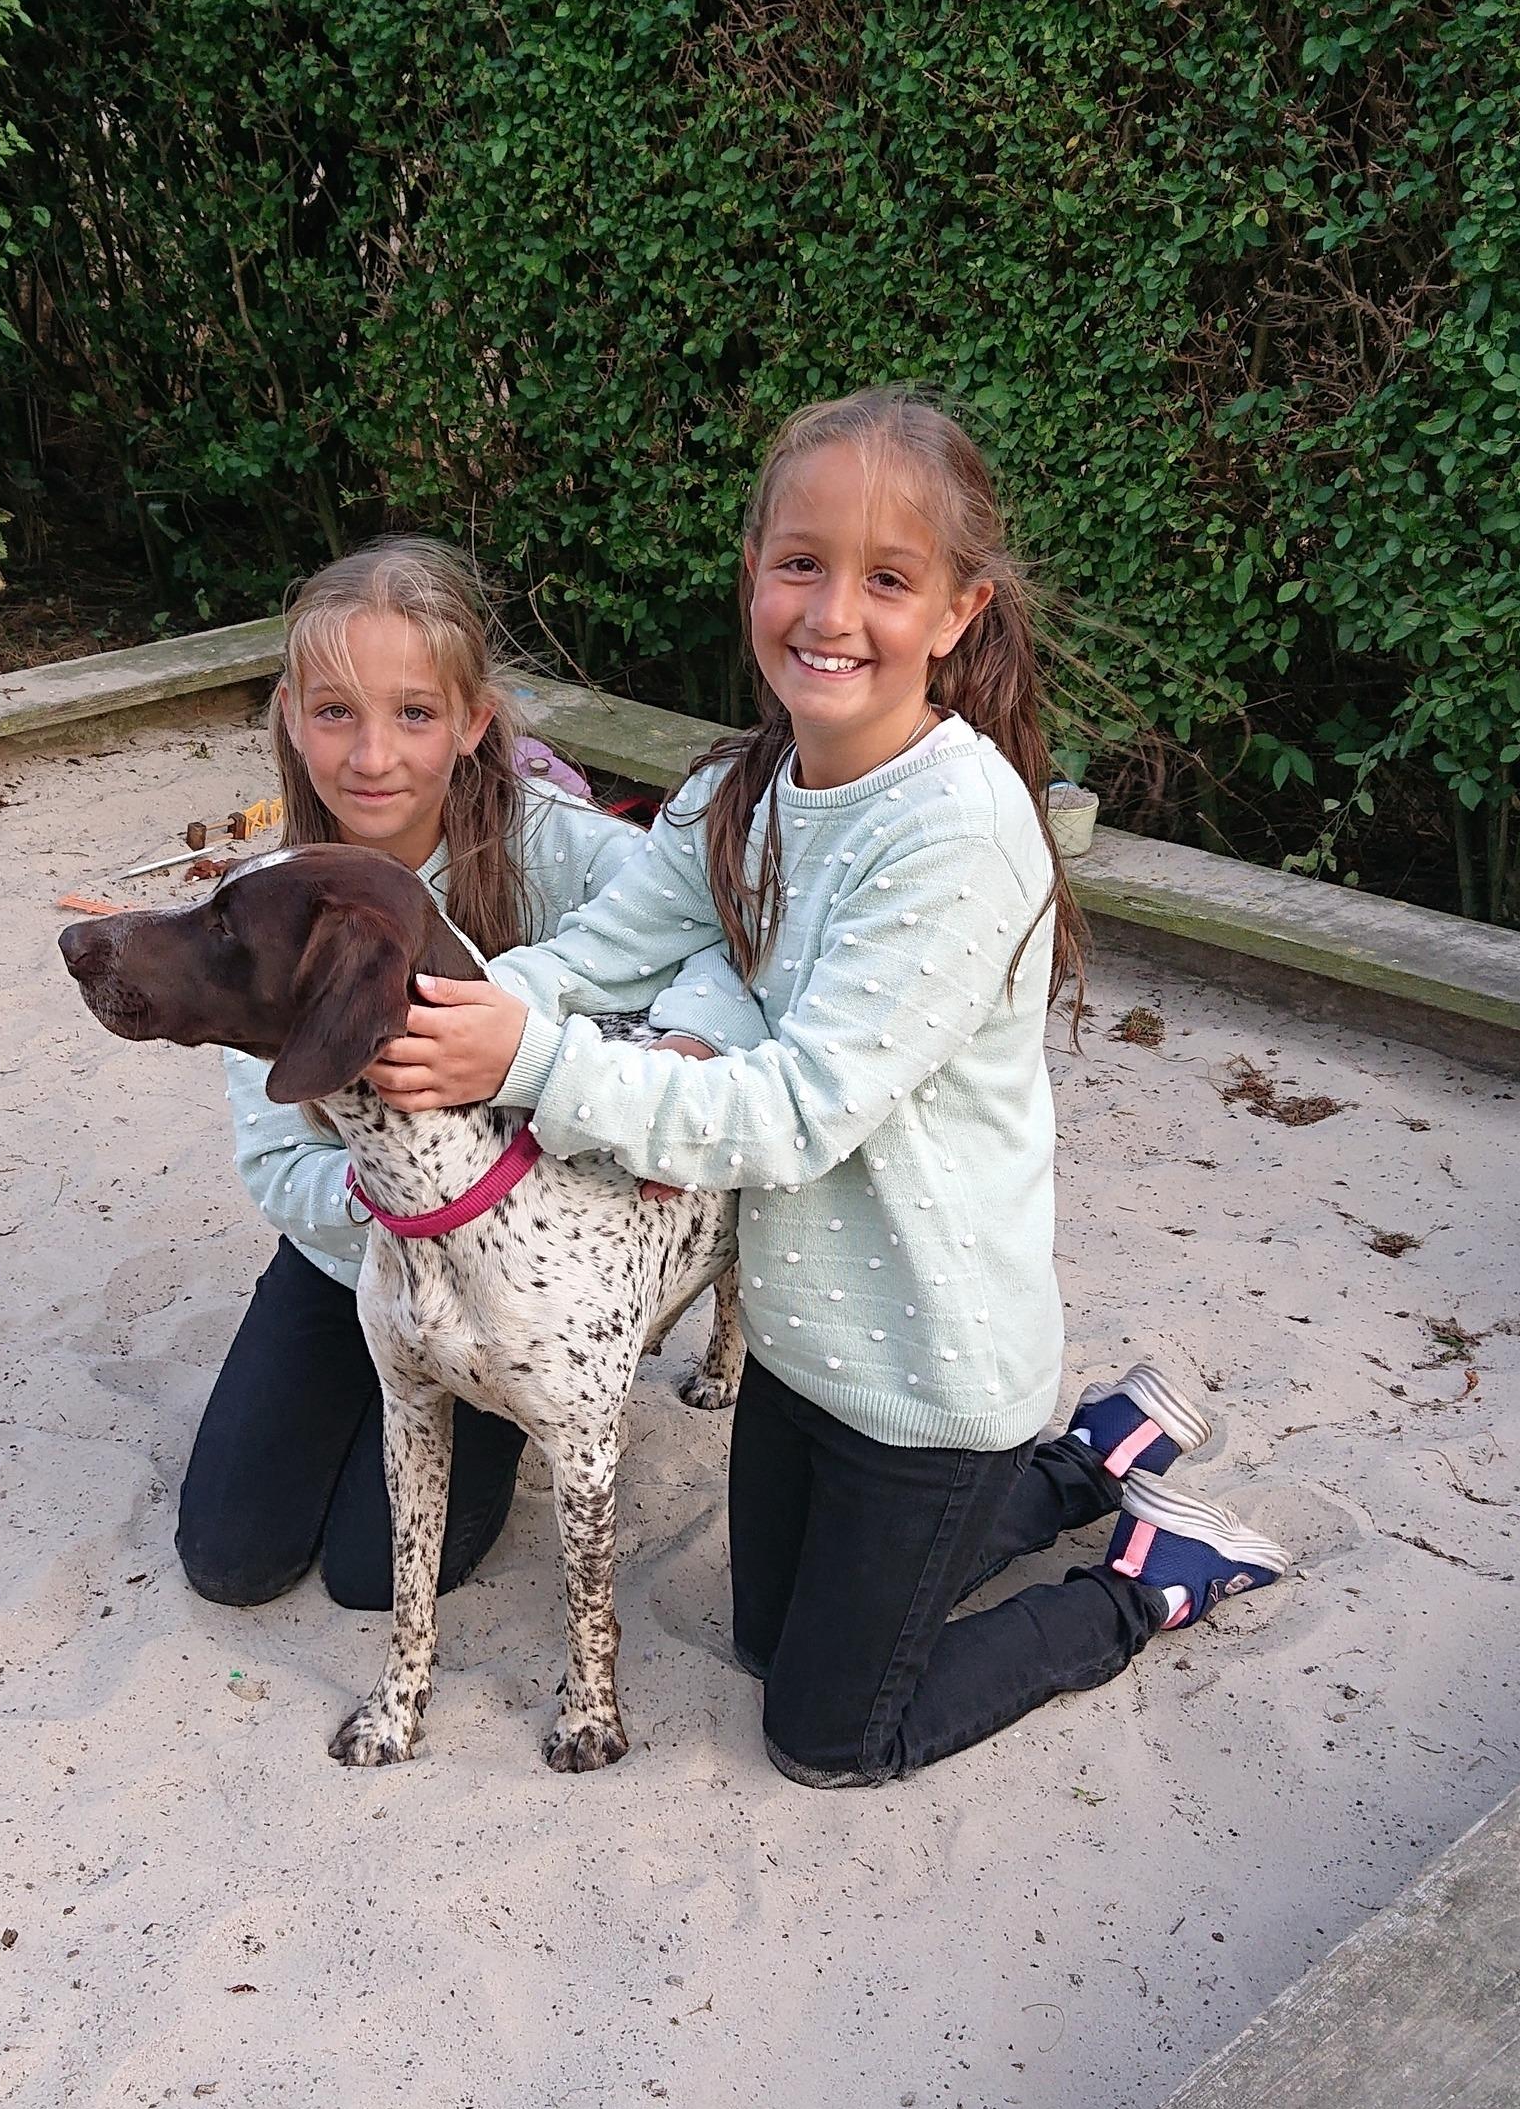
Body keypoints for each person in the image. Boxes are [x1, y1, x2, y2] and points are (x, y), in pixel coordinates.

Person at [368, 388, 1287, 1788]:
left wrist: (532, 1062)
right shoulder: (740, 792)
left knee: (829, 1732)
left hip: (929, 1366)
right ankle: (1090, 1461)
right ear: (755, 574)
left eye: (888, 579)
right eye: (801, 563)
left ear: (960, 611)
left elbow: (796, 1113)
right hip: (805, 1349)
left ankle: (1146, 1578)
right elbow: (598, 952)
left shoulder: (960, 833)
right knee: (761, 1644)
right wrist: (458, 1010)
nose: (833, 613)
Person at [175, 535, 707, 1612]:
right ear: (290, 716)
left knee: (372, 1575)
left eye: (414, 714)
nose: (373, 755)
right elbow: (278, 1167)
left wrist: (689, 1037)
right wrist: (403, 1199)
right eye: (336, 712)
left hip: (518, 1279)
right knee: (231, 1557)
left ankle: (487, 1410)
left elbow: (711, 930)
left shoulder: (561, 848)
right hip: (353, 1259)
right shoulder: (274, 899)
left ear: (471, 722)